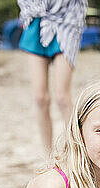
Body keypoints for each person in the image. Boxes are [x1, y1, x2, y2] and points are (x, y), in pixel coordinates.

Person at [17, 0, 88, 152]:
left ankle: (76, 152)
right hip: (34, 19)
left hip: (67, 21)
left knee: (62, 97)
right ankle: (48, 157)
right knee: (40, 98)